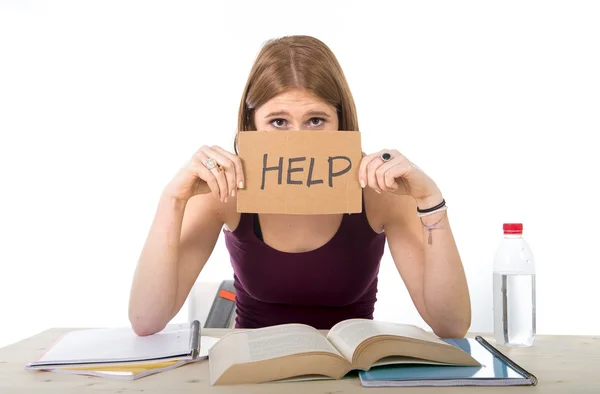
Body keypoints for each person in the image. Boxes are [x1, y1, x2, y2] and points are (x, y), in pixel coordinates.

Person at [128, 35, 471, 337]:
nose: (297, 141)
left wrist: (430, 199)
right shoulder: (227, 190)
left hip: (349, 375)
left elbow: (451, 325)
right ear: (251, 124)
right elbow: (147, 319)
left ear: (341, 123)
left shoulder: (379, 191)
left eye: (316, 120)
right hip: (253, 374)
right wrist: (173, 198)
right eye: (278, 122)